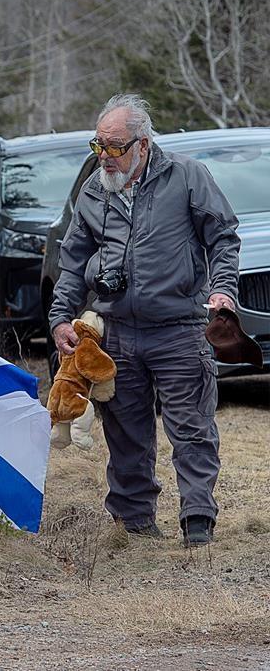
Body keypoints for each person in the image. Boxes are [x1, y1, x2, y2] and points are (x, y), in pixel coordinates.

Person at [49, 94, 241, 547]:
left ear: (143, 144)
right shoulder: (94, 189)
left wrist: (223, 290)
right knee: (125, 433)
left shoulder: (187, 176)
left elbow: (223, 238)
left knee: (191, 428)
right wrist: (60, 318)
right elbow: (72, 261)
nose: (104, 156)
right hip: (117, 332)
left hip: (179, 329)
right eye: (98, 145)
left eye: (114, 146)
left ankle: (197, 519)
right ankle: (134, 522)